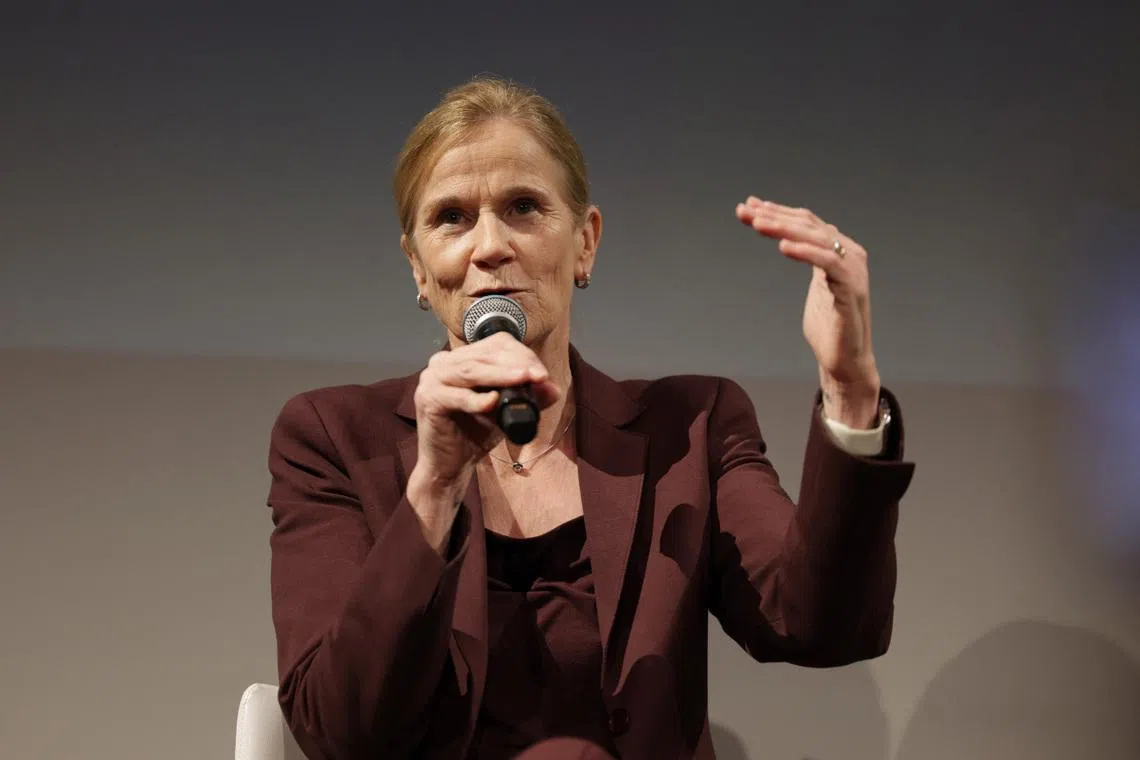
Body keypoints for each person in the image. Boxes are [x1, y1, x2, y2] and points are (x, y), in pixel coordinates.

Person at [264, 76, 916, 760]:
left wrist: (849, 388)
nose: (489, 245)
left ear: (585, 243)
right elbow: (340, 732)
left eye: (523, 207)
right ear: (420, 269)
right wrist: (433, 487)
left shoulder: (690, 428)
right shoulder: (333, 438)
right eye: (451, 218)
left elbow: (821, 627)